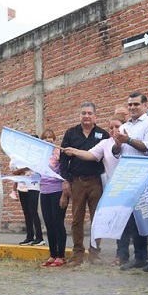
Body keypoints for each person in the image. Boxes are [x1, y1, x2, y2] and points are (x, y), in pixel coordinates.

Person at [114, 93, 148, 272]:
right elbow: (117, 152)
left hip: (145, 174)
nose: (132, 108)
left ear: (145, 105)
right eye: (129, 105)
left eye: (136, 104)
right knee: (134, 217)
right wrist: (118, 144)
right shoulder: (125, 126)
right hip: (129, 175)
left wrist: (127, 140)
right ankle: (140, 256)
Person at [60, 102, 110, 264]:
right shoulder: (71, 134)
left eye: (89, 113)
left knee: (97, 218)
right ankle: (78, 253)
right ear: (79, 115)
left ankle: (95, 252)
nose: (86, 116)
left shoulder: (103, 135)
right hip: (77, 182)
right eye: (83, 113)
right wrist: (66, 181)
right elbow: (63, 159)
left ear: (95, 116)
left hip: (96, 181)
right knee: (76, 219)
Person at [38, 130, 69, 267]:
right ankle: (52, 254)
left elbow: (64, 172)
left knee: (58, 223)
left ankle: (61, 256)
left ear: (54, 139)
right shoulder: (39, 155)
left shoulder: (59, 153)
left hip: (57, 190)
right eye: (46, 138)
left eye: (51, 137)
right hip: (44, 192)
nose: (48, 140)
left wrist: (64, 194)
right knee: (49, 224)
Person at [10, 155, 43, 246]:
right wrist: (26, 168)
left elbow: (38, 168)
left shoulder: (35, 156)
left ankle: (39, 237)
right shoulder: (16, 158)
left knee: (33, 211)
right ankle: (29, 237)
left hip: (33, 186)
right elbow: (15, 172)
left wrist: (23, 169)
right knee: (26, 212)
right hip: (22, 187)